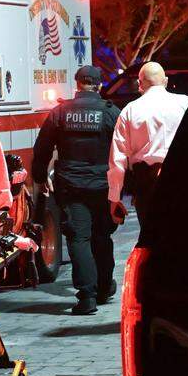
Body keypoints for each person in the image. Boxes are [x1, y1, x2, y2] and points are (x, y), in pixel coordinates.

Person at [31, 65, 121, 315]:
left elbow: (42, 148)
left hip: (71, 186)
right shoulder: (110, 112)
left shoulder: (60, 112)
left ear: (77, 84)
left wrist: (40, 177)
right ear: (99, 85)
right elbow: (123, 150)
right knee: (102, 237)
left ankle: (87, 297)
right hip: (103, 185)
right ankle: (104, 287)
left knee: (79, 239)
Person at [107, 61, 188, 244]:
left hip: (147, 183)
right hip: (182, 179)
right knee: (183, 237)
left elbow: (118, 158)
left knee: (152, 241)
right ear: (166, 81)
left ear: (140, 84)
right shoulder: (186, 104)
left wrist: (115, 197)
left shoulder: (130, 111)